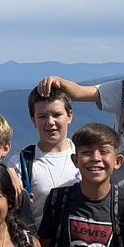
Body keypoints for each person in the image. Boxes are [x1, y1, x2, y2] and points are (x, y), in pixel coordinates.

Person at [18, 87, 79, 224]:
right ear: (33, 120)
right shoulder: (20, 163)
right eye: (42, 116)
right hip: (37, 242)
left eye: (57, 115)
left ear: (70, 116)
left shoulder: (85, 158)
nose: (50, 122)